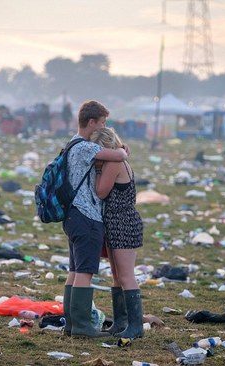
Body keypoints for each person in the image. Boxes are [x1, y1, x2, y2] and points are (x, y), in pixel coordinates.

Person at [63, 101, 129, 338]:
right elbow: (120, 153)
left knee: (75, 270)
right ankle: (82, 327)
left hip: (72, 216)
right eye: (102, 122)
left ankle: (71, 324)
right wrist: (122, 150)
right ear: (91, 122)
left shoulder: (71, 144)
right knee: (85, 272)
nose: (104, 127)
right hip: (87, 215)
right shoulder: (86, 147)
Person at [90, 127, 144, 340]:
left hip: (123, 223)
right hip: (116, 223)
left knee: (126, 276)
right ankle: (121, 322)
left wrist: (96, 171)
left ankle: (136, 326)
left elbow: (101, 192)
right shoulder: (119, 160)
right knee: (116, 276)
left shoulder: (114, 163)